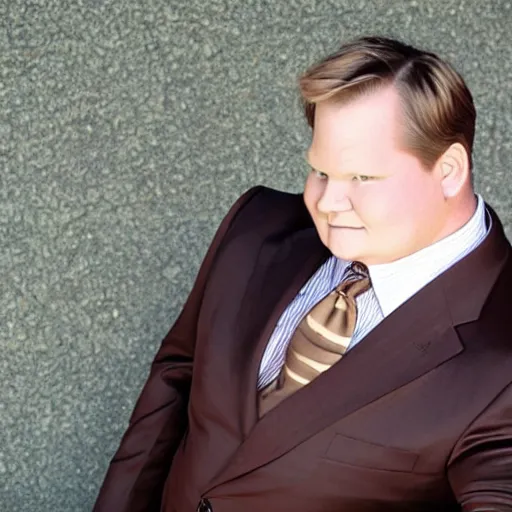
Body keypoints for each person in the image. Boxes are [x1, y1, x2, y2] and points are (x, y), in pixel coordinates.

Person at [93, 36, 512, 511]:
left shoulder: (503, 352)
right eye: (320, 172)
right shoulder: (255, 227)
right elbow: (174, 380)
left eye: (362, 178)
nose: (328, 203)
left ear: (450, 171)